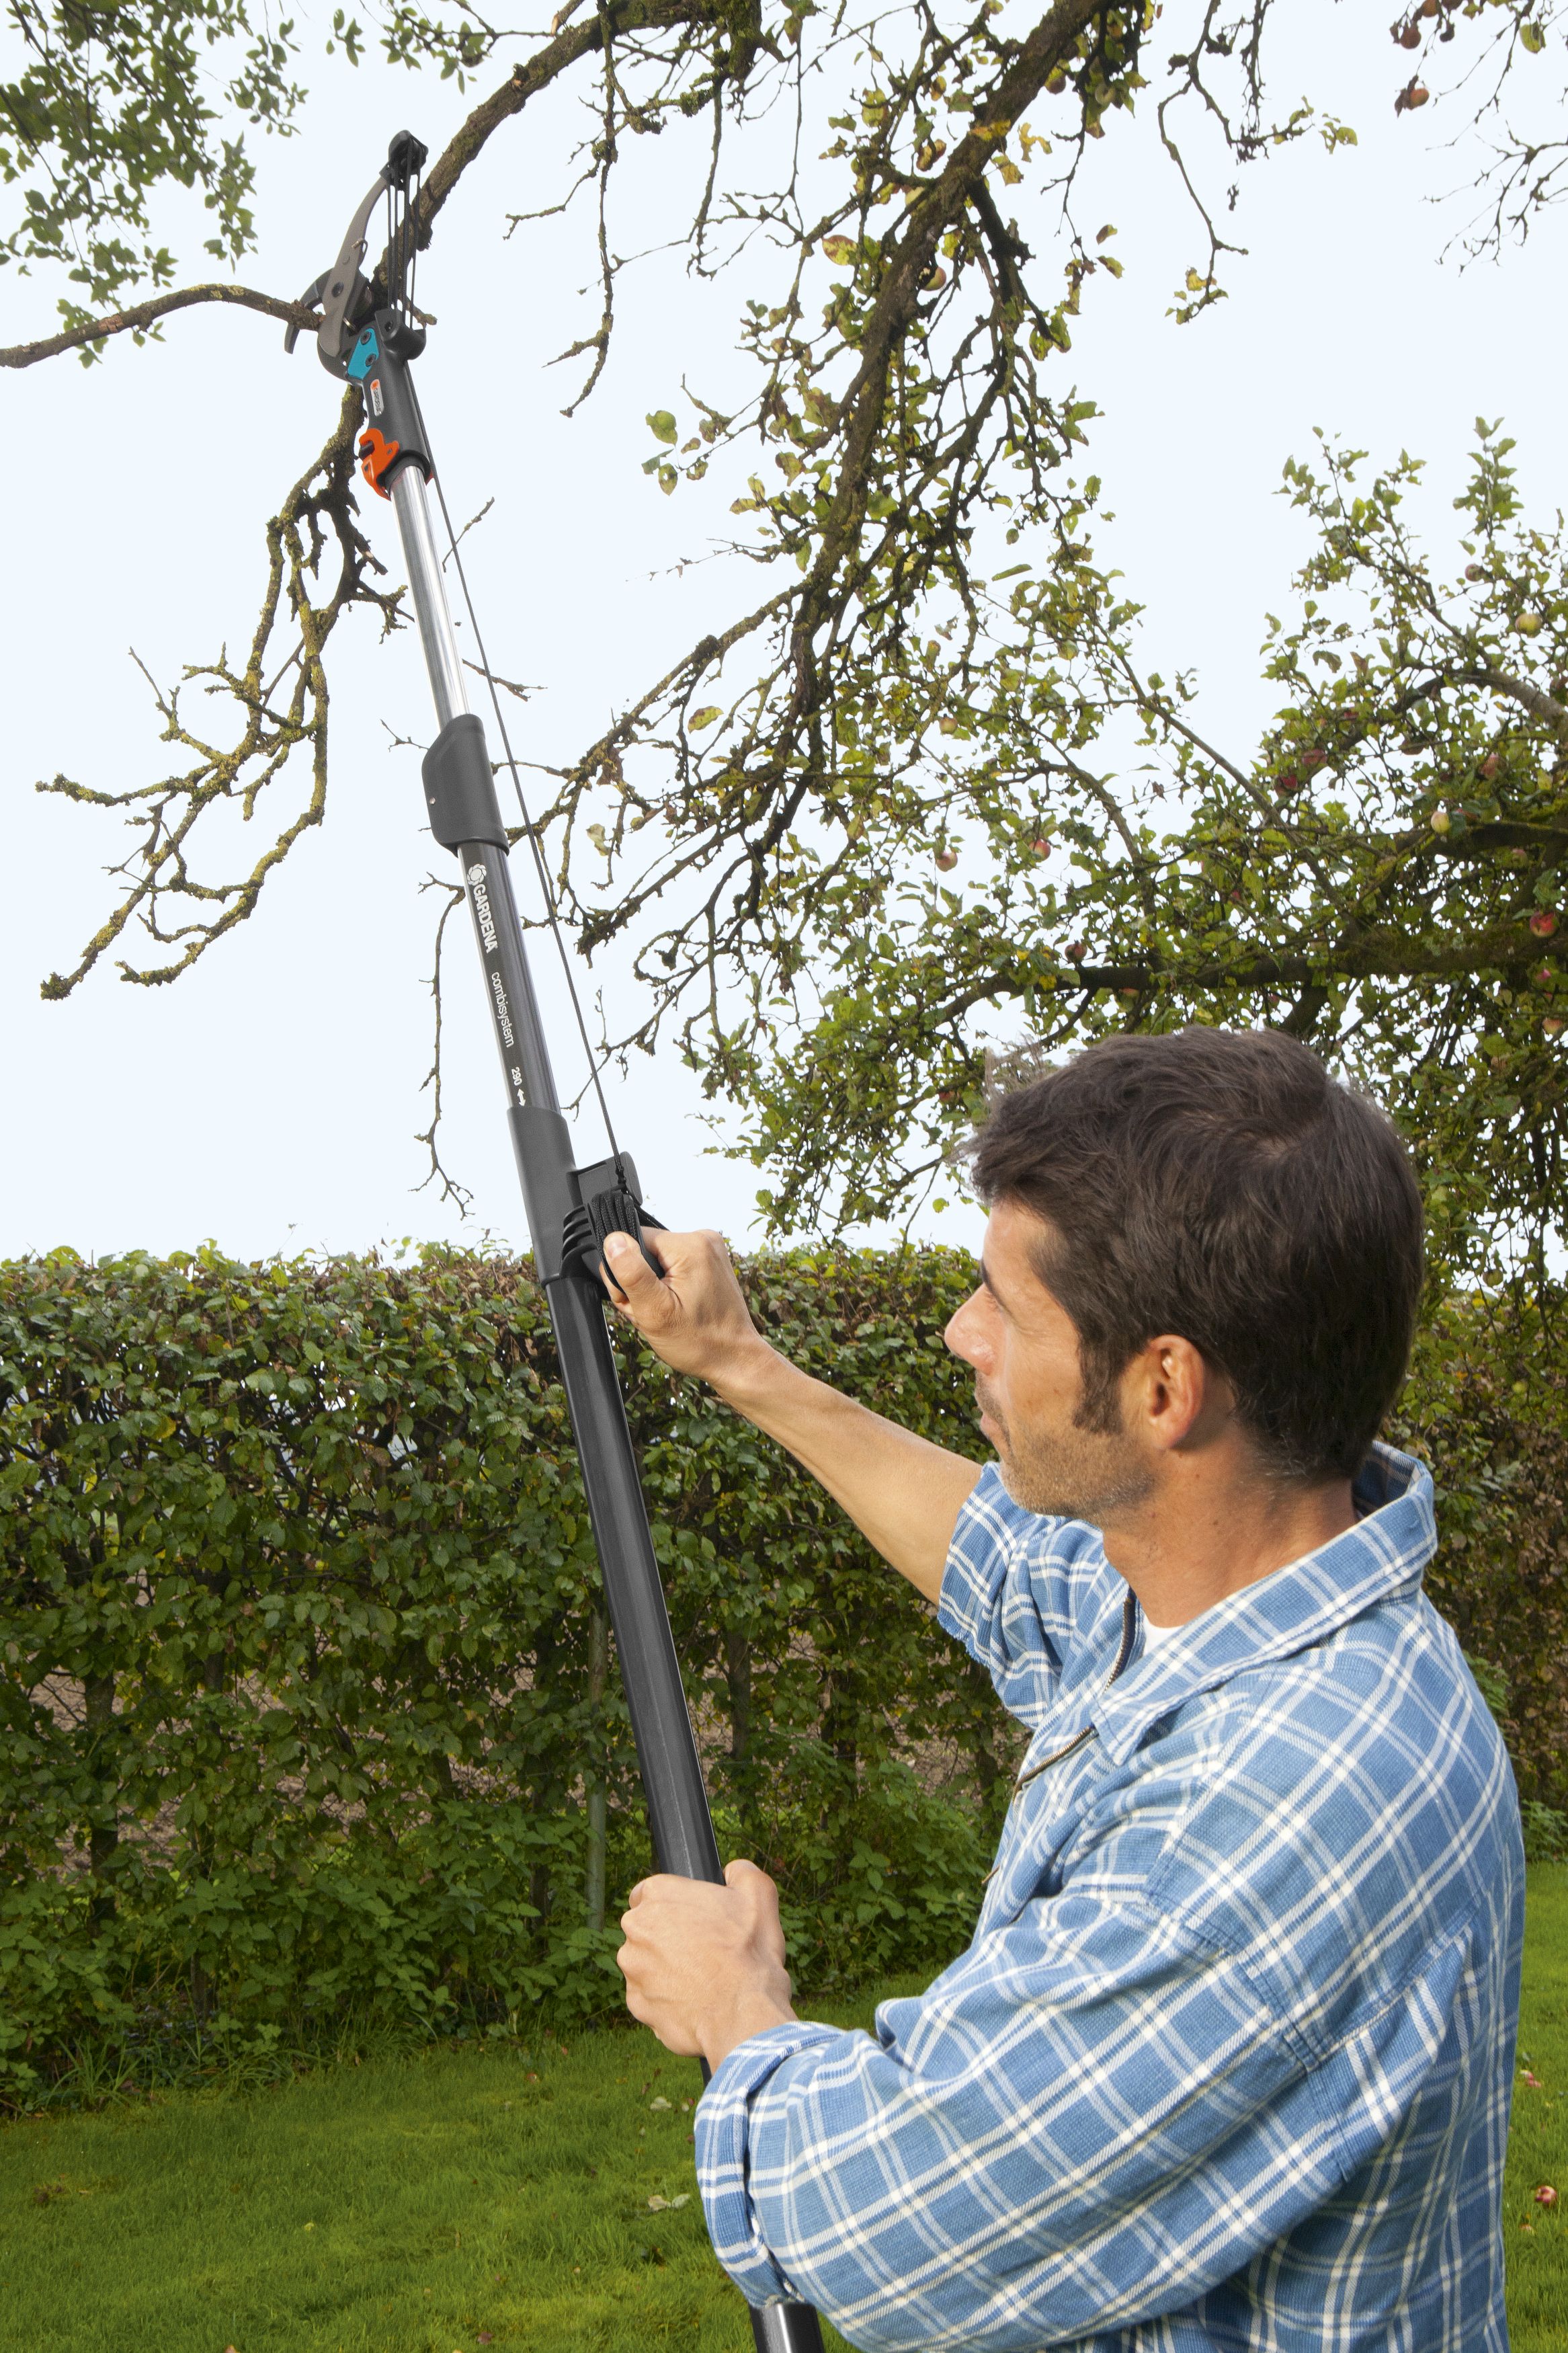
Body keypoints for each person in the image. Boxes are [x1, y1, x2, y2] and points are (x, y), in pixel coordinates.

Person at [605, 1027, 1522, 2353]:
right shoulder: (1252, 1598)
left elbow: (891, 2219)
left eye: (1006, 1303)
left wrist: (736, 2007)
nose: (959, 1330)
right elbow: (1003, 1564)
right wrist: (740, 1361)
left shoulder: (1262, 1817)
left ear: (1164, 1386)